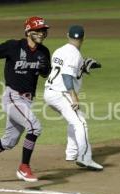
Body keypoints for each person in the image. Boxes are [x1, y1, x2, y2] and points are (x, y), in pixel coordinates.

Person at [0, 16, 51, 182]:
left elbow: (45, 74)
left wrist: (43, 67)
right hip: (12, 97)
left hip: (27, 101)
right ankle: (23, 167)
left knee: (9, 141)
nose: (42, 33)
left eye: (44, 30)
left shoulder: (44, 52)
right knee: (35, 127)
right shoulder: (14, 46)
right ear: (28, 31)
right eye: (39, 30)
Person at [43, 25, 103, 170]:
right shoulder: (75, 54)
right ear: (83, 38)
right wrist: (74, 96)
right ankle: (85, 158)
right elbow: (66, 75)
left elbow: (66, 69)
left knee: (74, 119)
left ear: (68, 35)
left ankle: (72, 153)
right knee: (81, 123)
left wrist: (83, 67)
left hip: (49, 93)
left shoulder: (60, 50)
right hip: (61, 93)